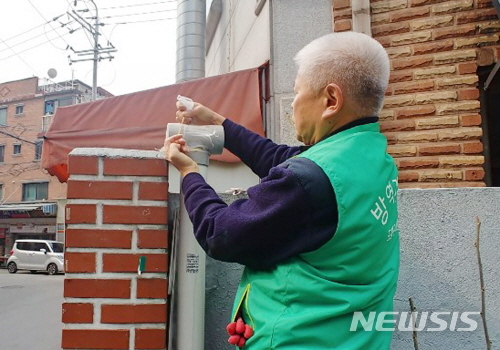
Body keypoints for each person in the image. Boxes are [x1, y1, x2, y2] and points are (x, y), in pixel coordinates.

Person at [164, 31, 399, 350]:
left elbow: (219, 233)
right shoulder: (371, 156)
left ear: (330, 100)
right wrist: (216, 121)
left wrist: (190, 172)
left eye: (297, 92)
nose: (293, 105)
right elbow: (278, 158)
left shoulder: (309, 181)